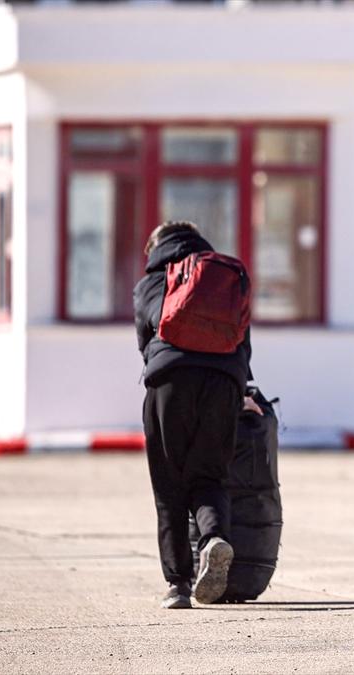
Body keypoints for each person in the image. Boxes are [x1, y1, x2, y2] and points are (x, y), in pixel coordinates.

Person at [133, 221, 257, 609]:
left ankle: (178, 585)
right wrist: (244, 390)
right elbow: (242, 340)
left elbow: (147, 339)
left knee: (169, 485)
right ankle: (213, 538)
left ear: (155, 246)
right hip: (224, 382)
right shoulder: (224, 274)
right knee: (209, 475)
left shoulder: (154, 279)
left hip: (170, 382)